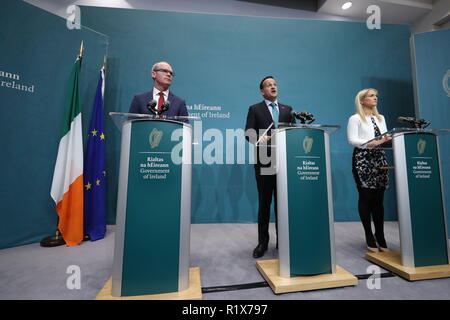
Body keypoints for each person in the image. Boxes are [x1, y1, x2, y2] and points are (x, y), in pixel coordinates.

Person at [245, 76, 296, 258]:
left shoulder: (287, 110)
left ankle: (283, 241)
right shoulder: (255, 109)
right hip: (264, 161)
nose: (273, 87)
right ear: (262, 91)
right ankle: (263, 243)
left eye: (275, 84)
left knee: (282, 204)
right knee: (265, 203)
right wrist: (260, 139)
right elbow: (248, 134)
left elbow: (293, 134)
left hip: (283, 162)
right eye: (269, 85)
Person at [347, 88, 392, 253]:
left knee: (379, 199)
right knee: (366, 196)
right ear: (361, 100)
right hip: (363, 159)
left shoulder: (381, 118)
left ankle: (380, 234)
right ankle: (369, 235)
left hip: (379, 158)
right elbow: (352, 140)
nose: (375, 98)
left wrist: (387, 140)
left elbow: (385, 138)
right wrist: (371, 143)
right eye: (371, 96)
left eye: (376, 96)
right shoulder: (355, 118)